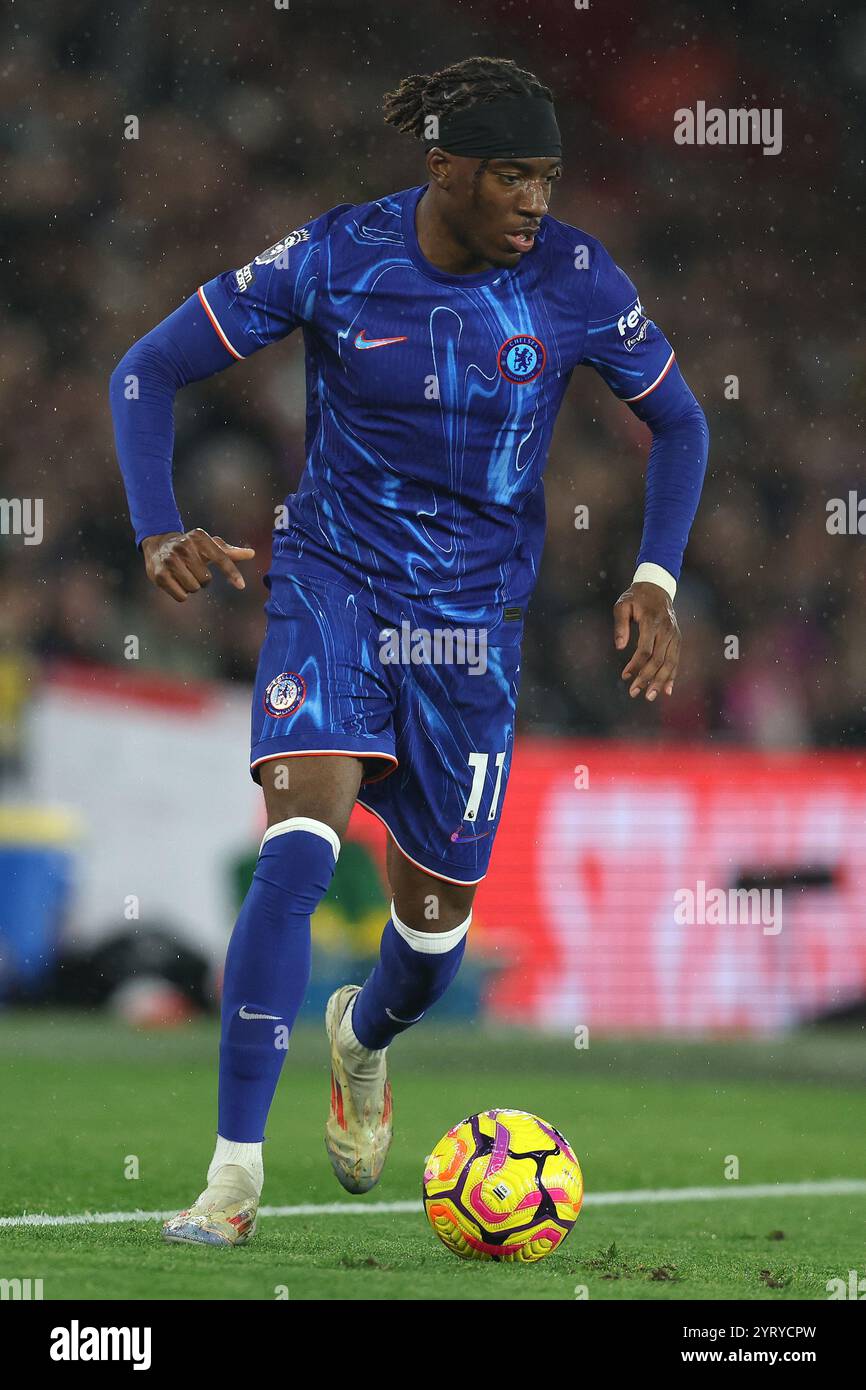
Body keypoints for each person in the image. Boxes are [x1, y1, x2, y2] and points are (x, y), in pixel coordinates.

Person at [109, 55, 709, 1247]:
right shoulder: (333, 258)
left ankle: (362, 1038)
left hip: (472, 635)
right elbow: (148, 368)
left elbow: (678, 421)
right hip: (330, 589)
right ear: (445, 170)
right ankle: (231, 1178)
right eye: (510, 179)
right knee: (293, 852)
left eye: (546, 178)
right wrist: (153, 524)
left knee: (430, 949)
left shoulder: (577, 279)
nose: (534, 203)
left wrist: (653, 577)